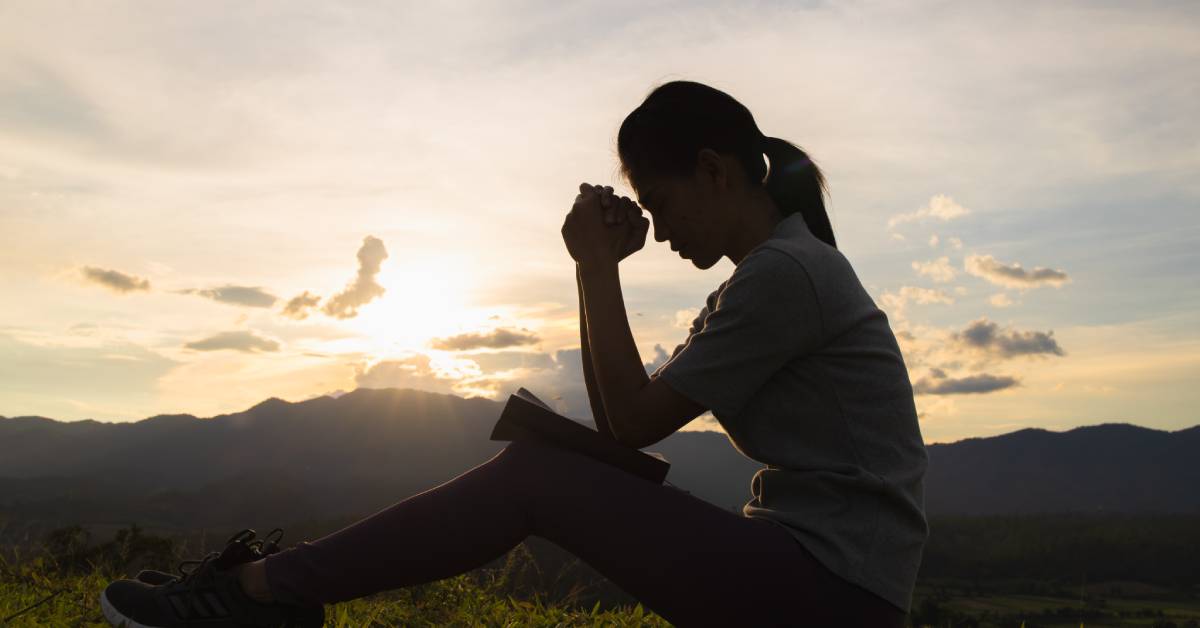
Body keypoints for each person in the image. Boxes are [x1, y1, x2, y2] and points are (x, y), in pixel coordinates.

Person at [100, 80, 927, 628]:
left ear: (712, 171)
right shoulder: (768, 274)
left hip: (834, 587)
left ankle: (260, 595)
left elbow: (631, 424)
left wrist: (599, 267)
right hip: (821, 576)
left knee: (535, 476)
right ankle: (268, 593)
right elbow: (619, 424)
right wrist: (589, 271)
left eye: (661, 202)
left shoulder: (785, 274)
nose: (663, 229)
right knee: (543, 467)